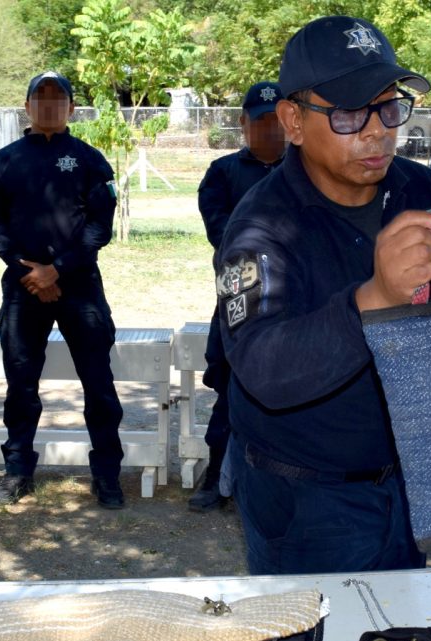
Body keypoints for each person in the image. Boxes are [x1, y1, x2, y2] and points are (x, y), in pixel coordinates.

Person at [215, 16, 431, 575]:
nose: (377, 131)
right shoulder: (260, 228)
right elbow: (264, 371)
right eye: (347, 113)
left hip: (409, 476)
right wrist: (375, 297)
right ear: (292, 121)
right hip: (306, 498)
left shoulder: (421, 190)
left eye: (388, 107)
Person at [0, 72, 125, 509]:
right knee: (20, 385)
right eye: (39, 98)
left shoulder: (90, 160)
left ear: (72, 109)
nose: (48, 106)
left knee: (99, 384)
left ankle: (107, 474)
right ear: (26, 107)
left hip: (80, 286)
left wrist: (57, 269)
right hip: (23, 287)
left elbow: (100, 226)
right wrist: (29, 271)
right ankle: (18, 470)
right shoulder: (5, 161)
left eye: (57, 98)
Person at [191, 81, 286, 512]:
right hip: (239, 301)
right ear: (243, 124)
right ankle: (215, 478)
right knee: (228, 392)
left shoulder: (308, 174)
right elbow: (226, 237)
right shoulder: (222, 174)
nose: (269, 130)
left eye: (276, 121)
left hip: (298, 304)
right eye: (259, 121)